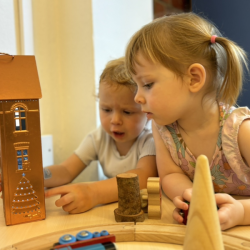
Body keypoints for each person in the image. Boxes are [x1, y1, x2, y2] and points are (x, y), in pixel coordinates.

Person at [125, 12, 250, 230]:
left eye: (147, 84)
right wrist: (190, 197)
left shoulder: (241, 131)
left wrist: (241, 213)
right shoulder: (164, 128)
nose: (137, 97)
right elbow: (171, 175)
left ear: (194, 78)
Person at [44, 57, 157, 214]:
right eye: (106, 110)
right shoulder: (99, 137)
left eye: (127, 112)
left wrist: (93, 192)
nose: (115, 120)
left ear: (146, 109)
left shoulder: (150, 139)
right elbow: (66, 170)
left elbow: (143, 177)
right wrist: (34, 177)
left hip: (142, 214)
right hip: (113, 211)